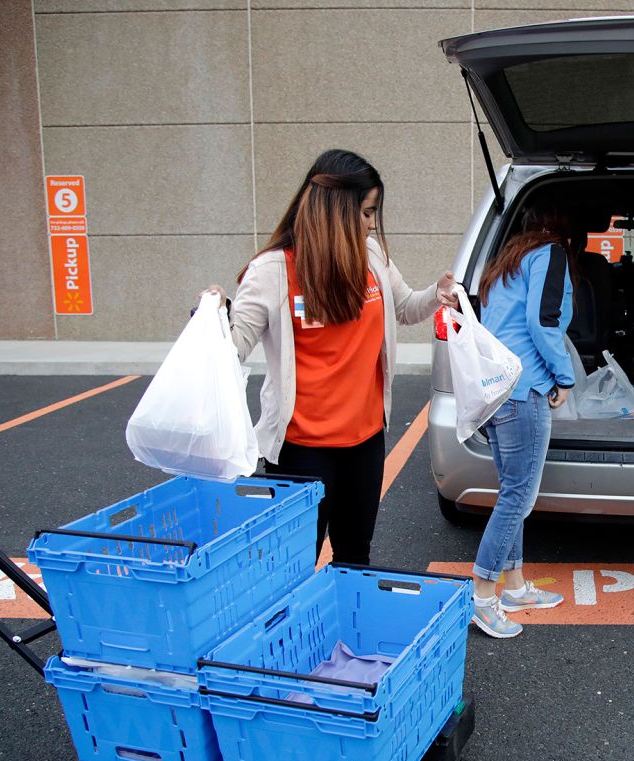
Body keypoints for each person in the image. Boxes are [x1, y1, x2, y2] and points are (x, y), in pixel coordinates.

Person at [203, 149, 458, 565]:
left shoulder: (372, 255)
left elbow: (405, 307)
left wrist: (437, 294)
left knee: (355, 555)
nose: (372, 223)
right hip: (302, 451)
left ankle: (344, 632)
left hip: (365, 442)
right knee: (295, 563)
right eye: (367, 212)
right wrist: (211, 318)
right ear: (336, 209)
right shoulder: (273, 270)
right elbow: (235, 348)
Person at [468, 205, 576, 638]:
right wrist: (564, 376)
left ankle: (513, 586)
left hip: (494, 391)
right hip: (524, 388)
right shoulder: (549, 254)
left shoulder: (503, 264)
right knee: (517, 499)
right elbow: (542, 320)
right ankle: (482, 598)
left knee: (511, 493)